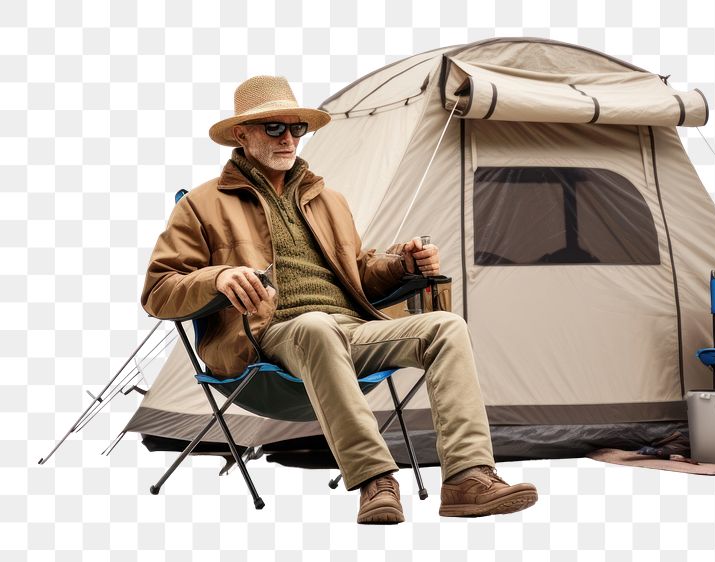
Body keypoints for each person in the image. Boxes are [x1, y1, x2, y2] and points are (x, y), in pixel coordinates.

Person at [141, 75, 537, 524]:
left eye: (297, 129)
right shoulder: (201, 205)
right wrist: (218, 277)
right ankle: (376, 481)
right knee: (316, 326)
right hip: (263, 340)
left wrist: (402, 265)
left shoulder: (329, 200)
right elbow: (158, 291)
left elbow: (359, 276)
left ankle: (467, 479)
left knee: (446, 327)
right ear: (242, 134)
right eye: (274, 128)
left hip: (347, 330)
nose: (289, 138)